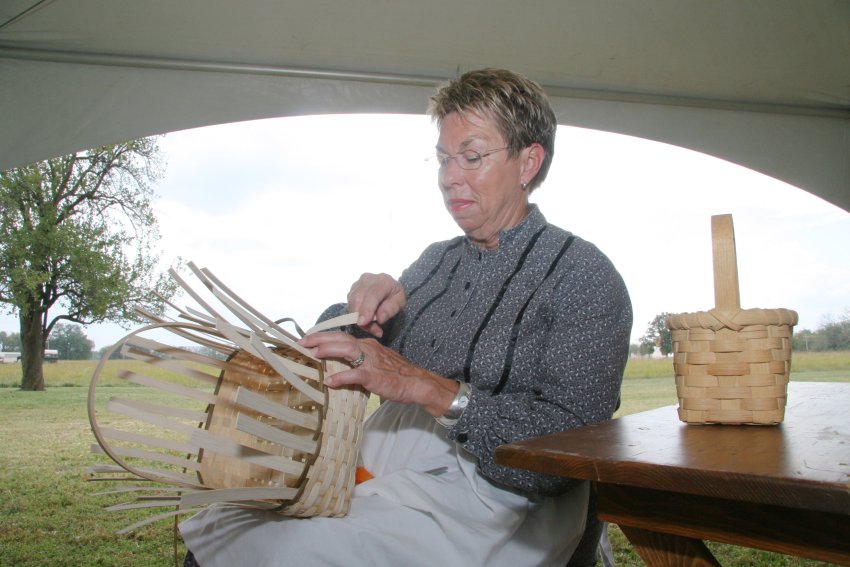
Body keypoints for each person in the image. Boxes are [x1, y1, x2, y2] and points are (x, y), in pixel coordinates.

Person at [180, 68, 632, 567]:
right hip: (390, 460)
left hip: (499, 500)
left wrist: (432, 390)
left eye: (472, 157)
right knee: (225, 520)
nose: (448, 176)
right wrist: (357, 314)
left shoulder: (584, 277)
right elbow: (354, 350)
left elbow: (565, 460)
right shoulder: (436, 260)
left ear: (528, 161)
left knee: (284, 549)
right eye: (443, 159)